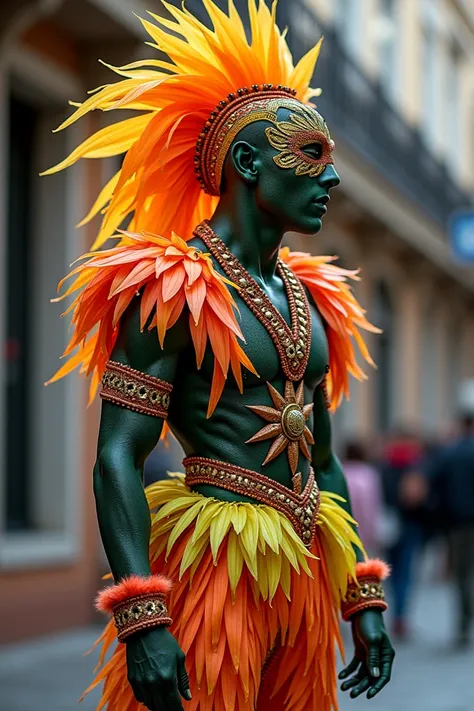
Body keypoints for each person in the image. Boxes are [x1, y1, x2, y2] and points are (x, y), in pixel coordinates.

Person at [45, 2, 395, 709]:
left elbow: (321, 458)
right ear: (245, 161)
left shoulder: (316, 300)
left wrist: (363, 593)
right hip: (215, 573)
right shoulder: (168, 291)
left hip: (304, 579)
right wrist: (143, 614)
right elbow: (117, 453)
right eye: (311, 155)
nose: (332, 180)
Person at [429, 411, 474, 648]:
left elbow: (435, 484)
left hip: (457, 522)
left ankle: (464, 621)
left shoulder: (450, 452)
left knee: (461, 573)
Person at [379, 428, 427, 640]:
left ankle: (395, 611)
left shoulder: (383, 465)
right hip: (410, 525)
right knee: (406, 573)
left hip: (389, 525)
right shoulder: (416, 466)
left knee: (390, 570)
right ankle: (400, 615)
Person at [342, 441, 383, 556]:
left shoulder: (341, 473)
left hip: (342, 531)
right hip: (363, 532)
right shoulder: (368, 475)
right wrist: (371, 534)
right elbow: (371, 507)